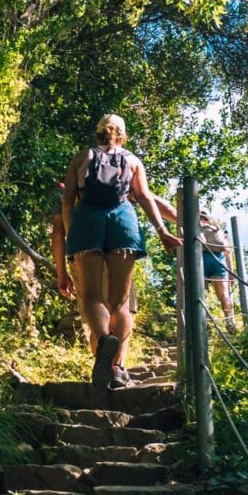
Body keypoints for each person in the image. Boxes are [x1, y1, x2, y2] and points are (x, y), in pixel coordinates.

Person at [62, 114, 182, 389]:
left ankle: (104, 341)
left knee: (92, 295)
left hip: (87, 221)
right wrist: (162, 231)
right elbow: (144, 197)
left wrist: (73, 235)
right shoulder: (132, 160)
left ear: (98, 133)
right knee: (120, 302)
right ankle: (116, 367)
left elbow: (68, 200)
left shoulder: (82, 157)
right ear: (123, 135)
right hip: (123, 222)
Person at [51, 180, 177, 371]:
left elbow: (58, 234)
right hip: (118, 247)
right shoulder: (117, 177)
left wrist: (61, 272)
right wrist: (184, 220)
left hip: (81, 254)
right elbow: (148, 197)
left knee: (96, 316)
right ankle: (116, 368)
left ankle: (103, 367)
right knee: (121, 309)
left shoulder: (67, 190)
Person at [200, 210, 237, 334]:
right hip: (218, 261)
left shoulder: (195, 226)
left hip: (201, 259)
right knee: (224, 295)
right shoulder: (217, 229)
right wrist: (231, 272)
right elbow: (227, 251)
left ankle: (202, 323)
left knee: (200, 294)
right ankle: (230, 321)